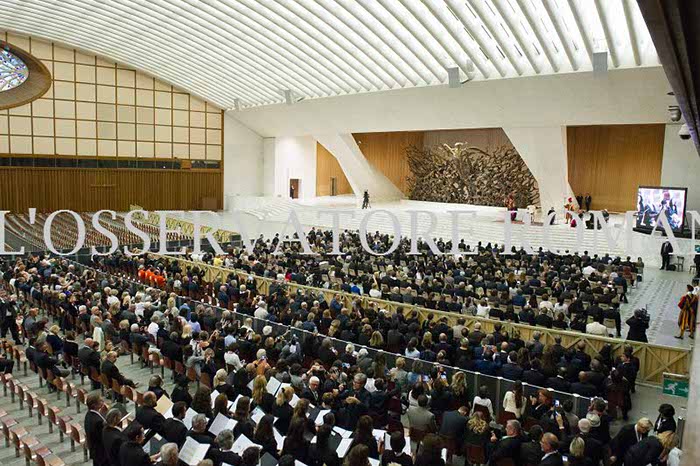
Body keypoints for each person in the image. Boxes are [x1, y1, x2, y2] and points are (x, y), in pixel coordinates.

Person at [85, 393, 107, 466]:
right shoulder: (98, 421)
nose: (103, 401)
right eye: (100, 401)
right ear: (94, 405)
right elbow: (102, 437)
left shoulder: (88, 414)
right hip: (101, 453)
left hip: (94, 451)